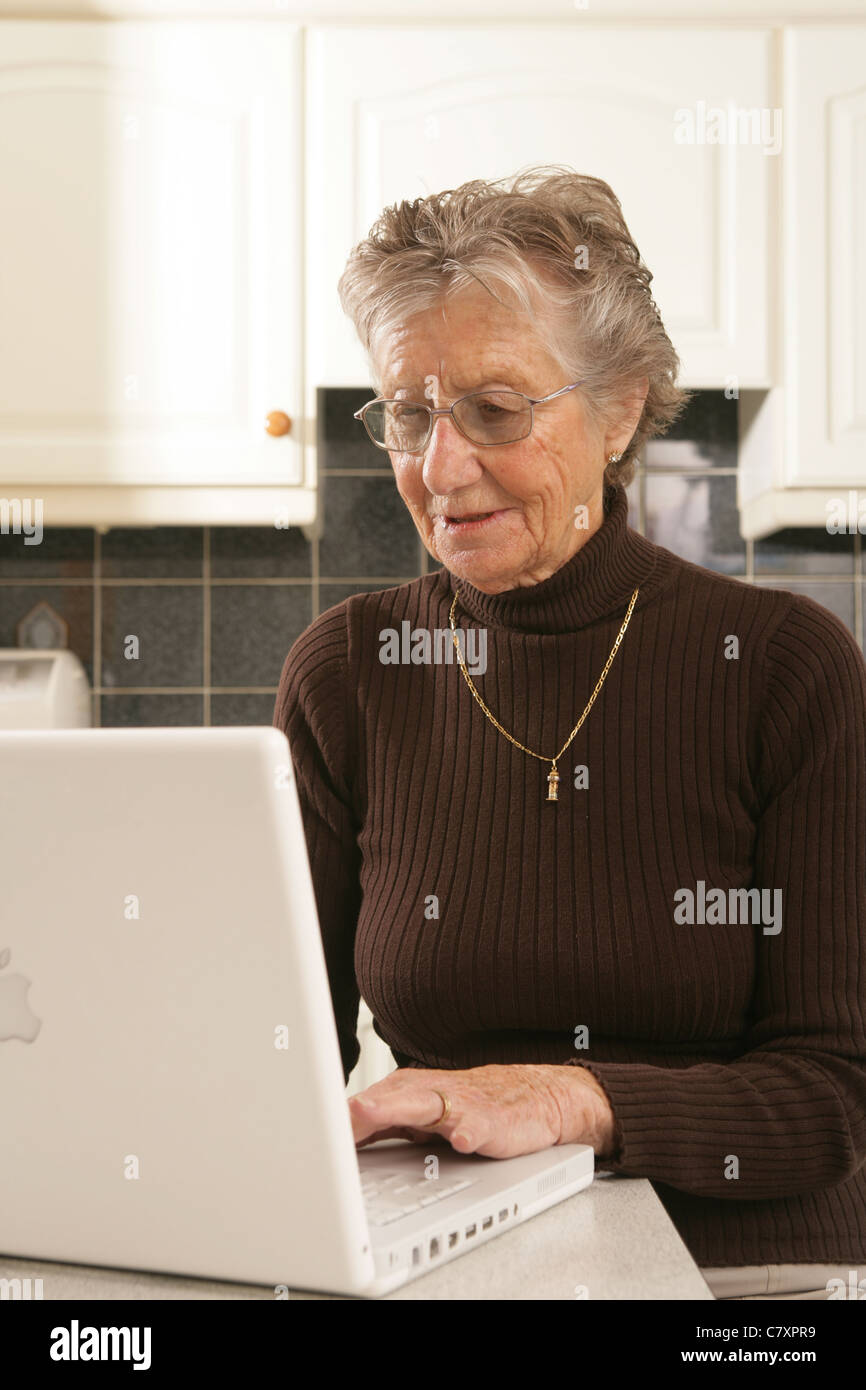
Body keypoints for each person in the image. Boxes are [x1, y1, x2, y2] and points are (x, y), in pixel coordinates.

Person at [273, 167, 866, 1300]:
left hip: (749, 1277)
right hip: (457, 1265)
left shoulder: (782, 668)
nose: (437, 469)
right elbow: (266, 1054)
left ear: (621, 408)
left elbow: (832, 1092)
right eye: (408, 412)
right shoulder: (347, 674)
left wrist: (564, 1100)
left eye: (494, 409)